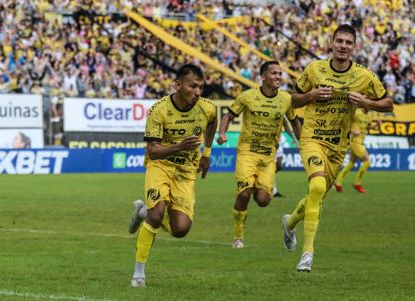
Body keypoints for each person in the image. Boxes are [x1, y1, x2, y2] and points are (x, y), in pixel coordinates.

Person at [281, 24, 393, 272]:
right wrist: (311, 96)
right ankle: (307, 254)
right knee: (318, 186)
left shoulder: (364, 75)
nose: (343, 46)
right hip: (311, 137)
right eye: (339, 41)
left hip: (337, 145)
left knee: (317, 194)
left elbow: (388, 103)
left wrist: (366, 102)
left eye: (348, 42)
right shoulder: (314, 69)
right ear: (331, 43)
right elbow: (293, 99)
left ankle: (289, 222)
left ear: (354, 47)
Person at [128, 64, 217, 287]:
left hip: (186, 172)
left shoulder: (207, 108)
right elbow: (153, 151)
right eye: (193, 86)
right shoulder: (159, 110)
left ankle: (143, 211)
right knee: (157, 216)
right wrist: (179, 146)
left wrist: (206, 153)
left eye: (201, 87)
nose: (197, 92)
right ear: (178, 85)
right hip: (160, 166)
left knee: (180, 230)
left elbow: (213, 121)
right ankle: (139, 273)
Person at [217, 61, 301, 249]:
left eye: (280, 74)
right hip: (247, 152)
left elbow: (294, 122)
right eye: (274, 74)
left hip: (268, 155)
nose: (278, 77)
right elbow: (228, 116)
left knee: (263, 201)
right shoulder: (248, 97)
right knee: (244, 193)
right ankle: (238, 236)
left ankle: (254, 184)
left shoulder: (286, 99)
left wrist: (302, 141)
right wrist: (222, 133)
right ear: (263, 77)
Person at [334, 108, 381, 193]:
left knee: (351, 164)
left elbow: (368, 127)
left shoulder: (368, 115)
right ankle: (357, 183)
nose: (370, 105)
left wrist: (377, 125)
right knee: (367, 161)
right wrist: (352, 131)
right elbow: (344, 123)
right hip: (355, 142)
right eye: (369, 101)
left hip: (360, 142)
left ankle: (338, 182)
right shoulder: (356, 112)